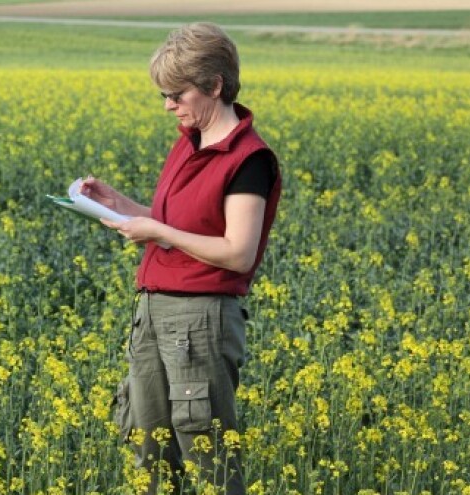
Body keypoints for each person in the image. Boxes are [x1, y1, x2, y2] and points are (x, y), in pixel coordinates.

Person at [80, 22, 281, 494]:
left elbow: (237, 251)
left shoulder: (248, 159)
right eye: (164, 96)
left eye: (177, 94)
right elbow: (181, 227)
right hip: (153, 312)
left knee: (206, 455)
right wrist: (121, 206)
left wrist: (156, 230)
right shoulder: (188, 142)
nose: (170, 106)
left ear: (214, 85)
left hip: (199, 321)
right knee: (149, 449)